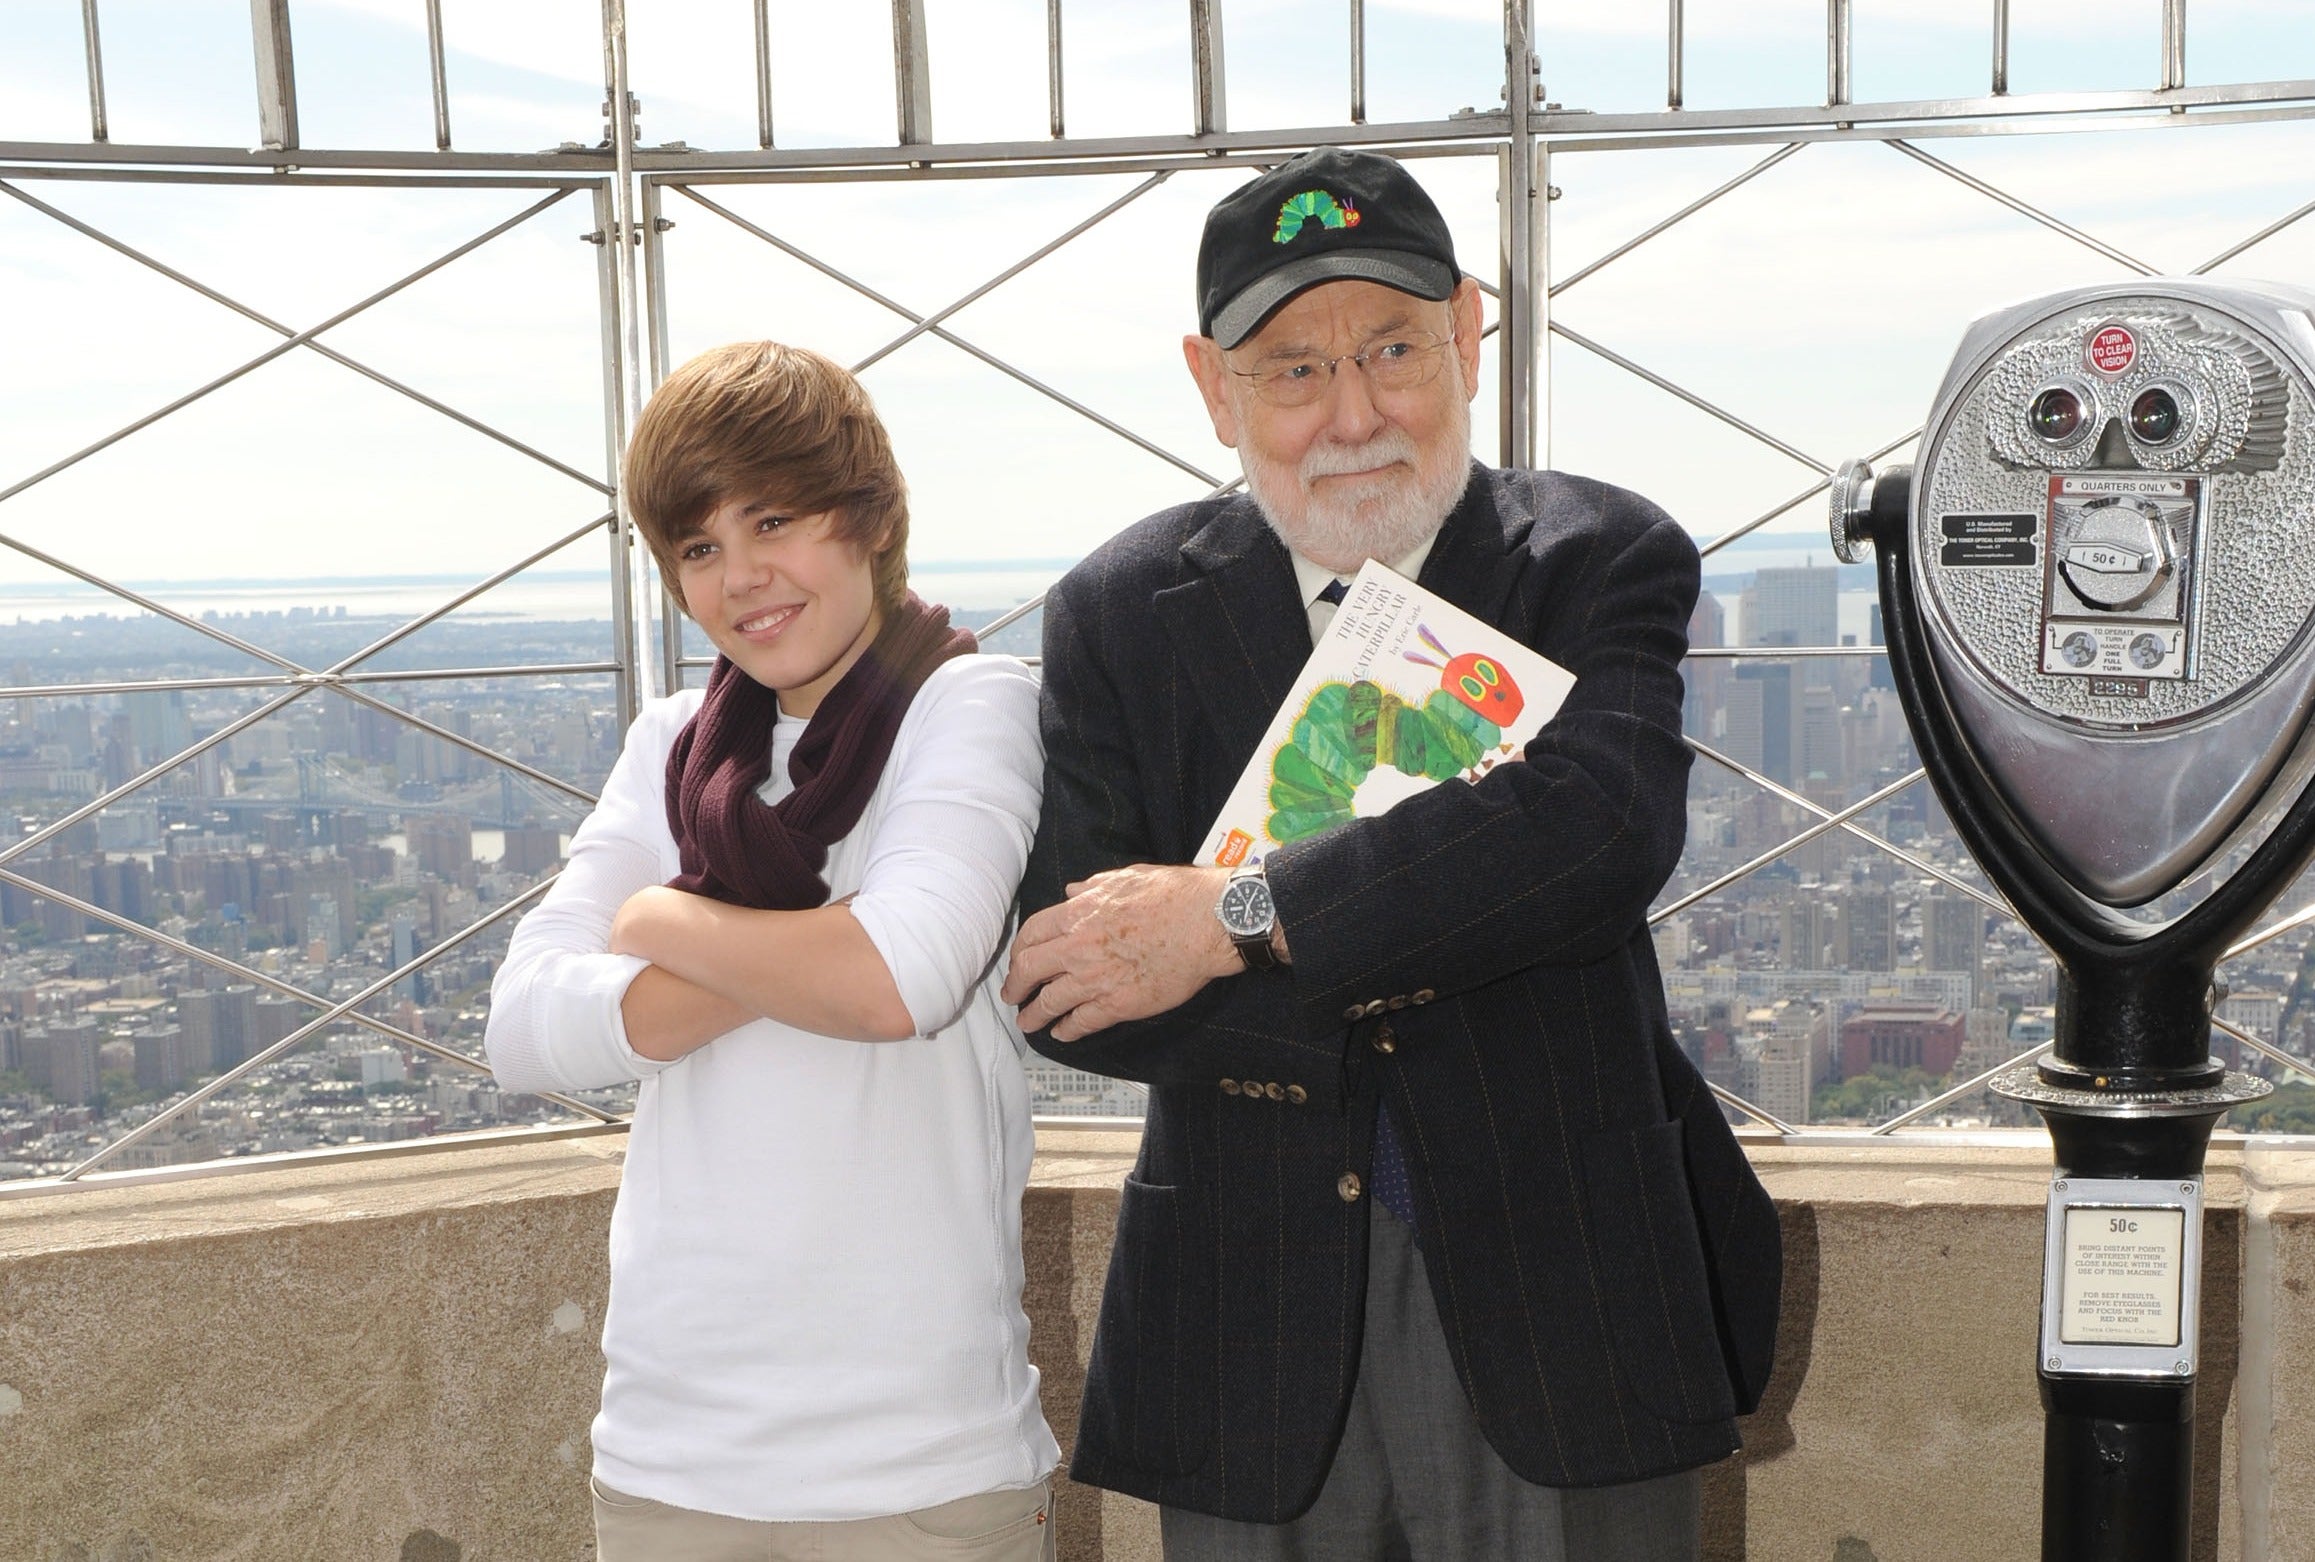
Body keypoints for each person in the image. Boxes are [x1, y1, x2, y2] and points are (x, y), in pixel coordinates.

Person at [1003, 147, 1782, 1560]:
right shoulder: (1119, 611)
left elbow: (1598, 828)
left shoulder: (1596, 558)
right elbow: (1067, 978)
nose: (1351, 415)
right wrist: (1438, 923)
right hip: (1244, 1308)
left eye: (1390, 350)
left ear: (1468, 335)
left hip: (1562, 1291)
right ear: (1208, 383)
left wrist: (1231, 915)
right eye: (1290, 370)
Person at [485, 341, 1060, 1561]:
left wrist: (656, 921)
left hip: (917, 1466)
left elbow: (895, 980)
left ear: (867, 518)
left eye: (774, 520)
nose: (741, 576)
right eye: (697, 547)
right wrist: (802, 950)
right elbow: (522, 1026)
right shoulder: (673, 745)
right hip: (668, 1458)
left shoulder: (969, 706)